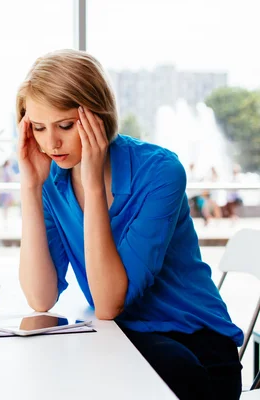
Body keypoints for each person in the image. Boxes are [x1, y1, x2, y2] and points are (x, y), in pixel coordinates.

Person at [16, 49, 242, 400]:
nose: (50, 143)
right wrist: (30, 186)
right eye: (39, 128)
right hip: (119, 336)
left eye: (65, 125)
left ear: (99, 118)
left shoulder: (161, 172)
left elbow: (108, 303)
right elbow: (40, 297)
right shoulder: (51, 180)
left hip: (196, 346)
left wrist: (91, 184)